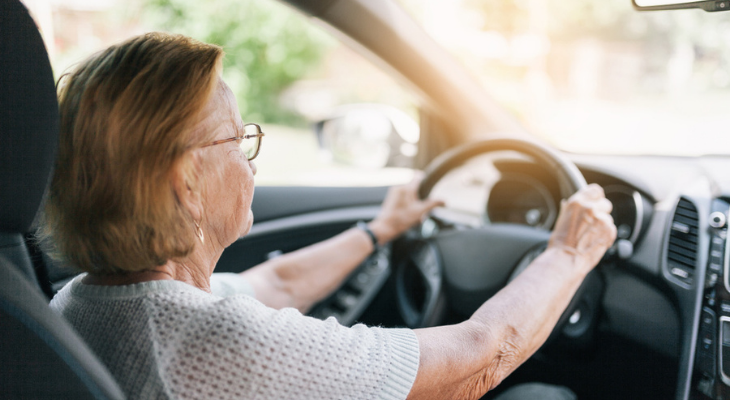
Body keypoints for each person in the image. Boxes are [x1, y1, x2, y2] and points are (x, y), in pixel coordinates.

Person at [42, 32, 616, 400]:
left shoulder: (76, 303)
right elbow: (479, 360)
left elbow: (276, 282)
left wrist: (378, 232)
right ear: (185, 182)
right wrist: (569, 253)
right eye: (238, 140)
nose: (250, 164)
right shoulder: (217, 341)